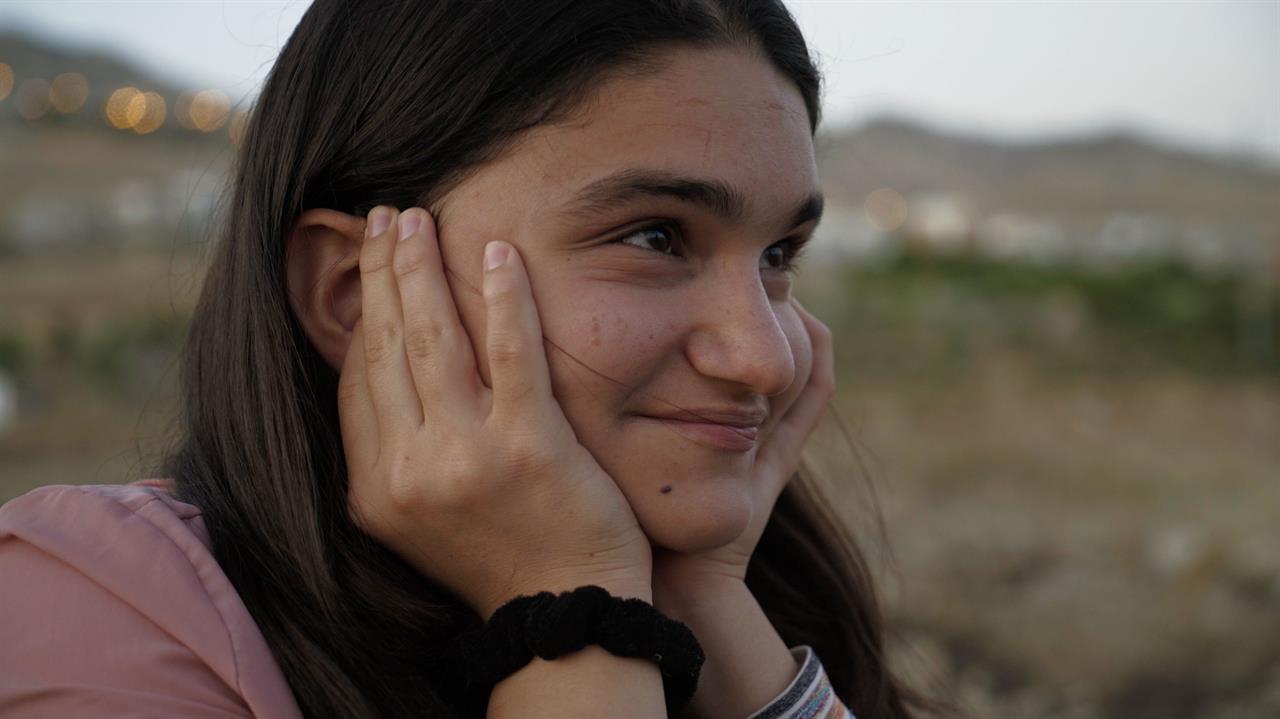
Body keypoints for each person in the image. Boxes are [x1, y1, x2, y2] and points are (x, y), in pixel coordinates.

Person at [0, 1, 942, 717]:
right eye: (655, 237)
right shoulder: (98, 614)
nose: (765, 359)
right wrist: (572, 610)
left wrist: (705, 604)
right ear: (355, 292)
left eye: (779, 256)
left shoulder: (746, 592)